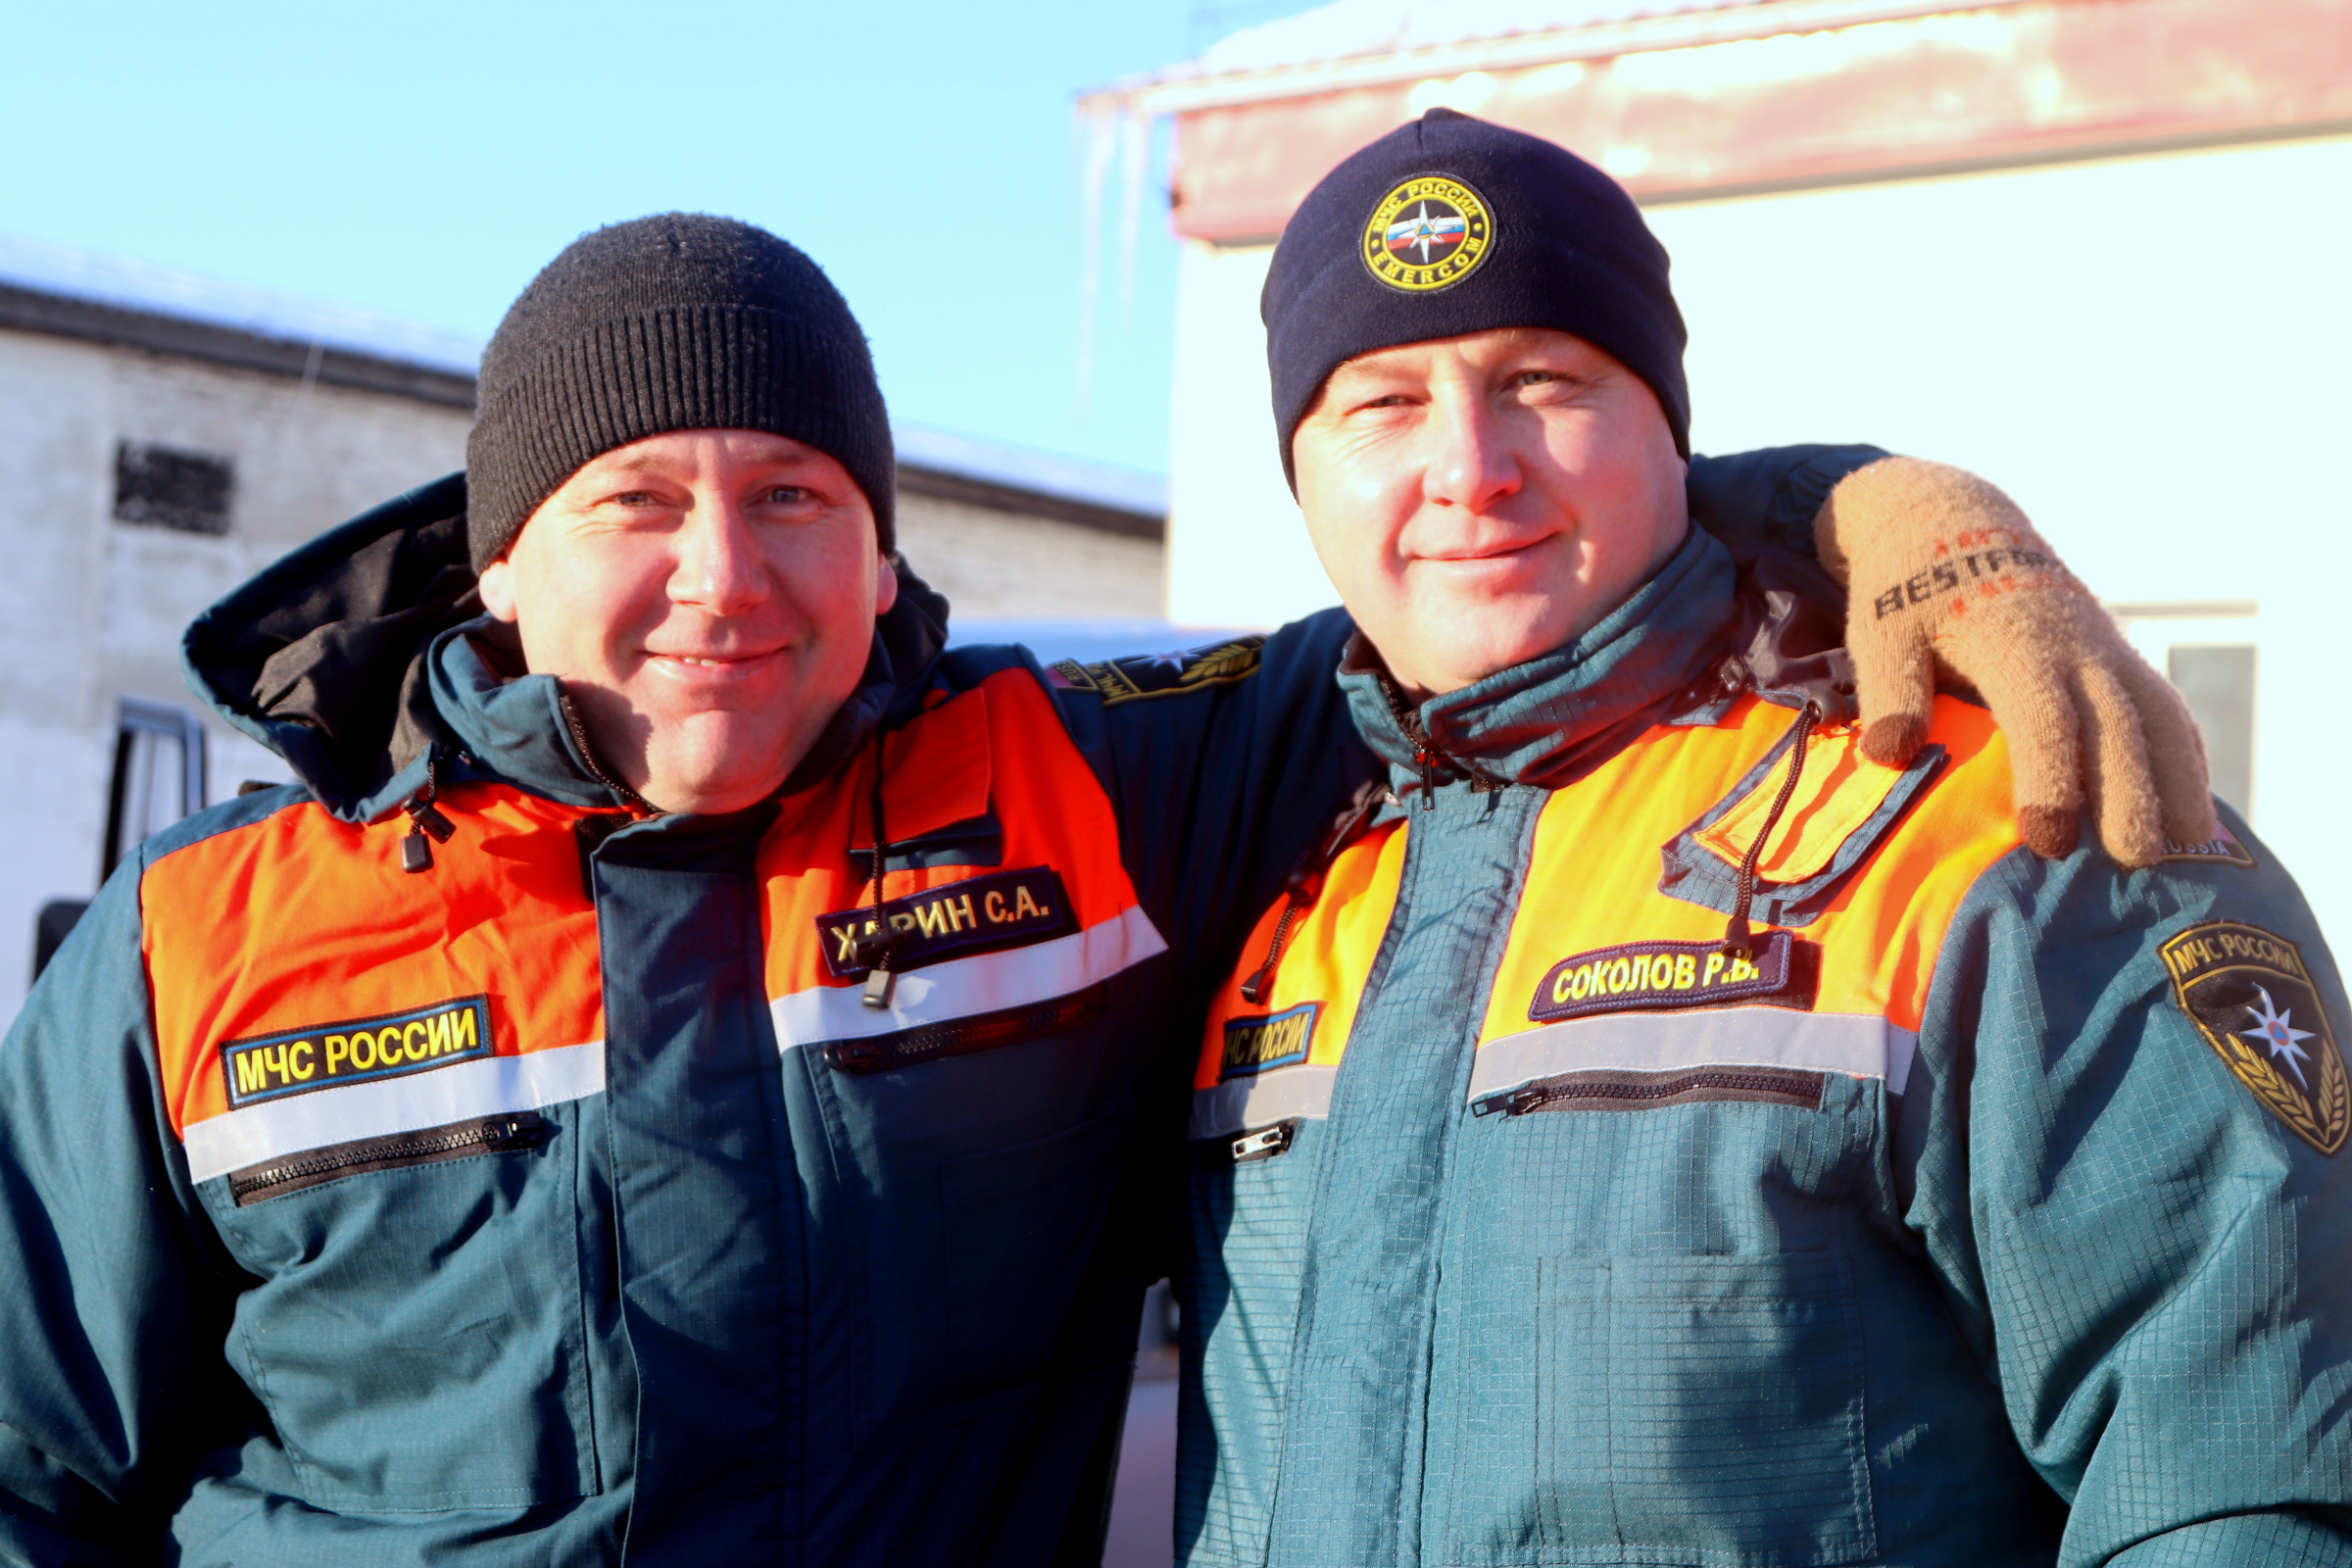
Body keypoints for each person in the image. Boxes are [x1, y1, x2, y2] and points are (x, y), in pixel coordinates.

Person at [0, 214, 2204, 1565]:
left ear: (883, 547)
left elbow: (1484, 575)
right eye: (633, 501)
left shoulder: (1093, 789)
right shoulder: (201, 937)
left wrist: (1876, 505)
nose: (723, 575)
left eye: (794, 495)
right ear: (497, 555)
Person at [1174, 110, 2352, 1567]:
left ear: (1669, 426)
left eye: (1543, 380)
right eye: (1384, 403)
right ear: (1299, 467)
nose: (1470, 467)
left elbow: (2243, 1476)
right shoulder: (1246, 832)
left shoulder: (2011, 820)